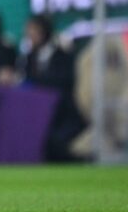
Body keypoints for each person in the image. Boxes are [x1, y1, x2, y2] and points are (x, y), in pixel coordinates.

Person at [17, 14, 85, 161]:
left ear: (43, 31)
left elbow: (63, 82)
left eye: (32, 30)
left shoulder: (63, 56)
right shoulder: (29, 57)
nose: (29, 34)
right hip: (36, 113)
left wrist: (36, 82)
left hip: (62, 114)